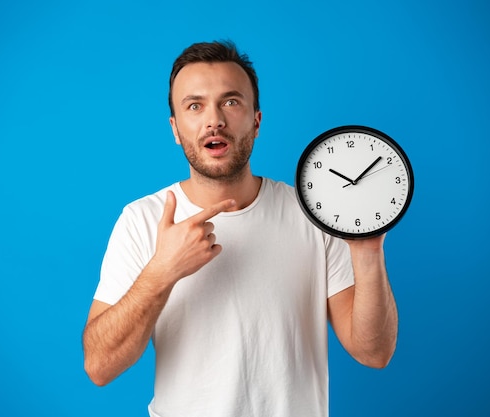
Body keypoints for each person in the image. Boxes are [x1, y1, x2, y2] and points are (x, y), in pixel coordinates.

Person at [82, 40, 398, 417]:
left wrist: (367, 249)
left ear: (256, 121)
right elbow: (100, 366)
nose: (214, 119)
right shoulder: (141, 220)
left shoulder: (312, 214)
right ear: (176, 129)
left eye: (230, 102)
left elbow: (374, 352)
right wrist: (162, 271)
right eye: (194, 106)